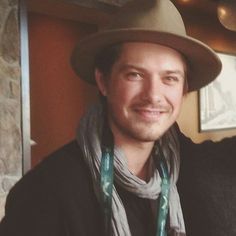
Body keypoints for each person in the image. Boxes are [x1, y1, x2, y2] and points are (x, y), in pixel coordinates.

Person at [0, 0, 222, 235]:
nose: (153, 95)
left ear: (184, 90)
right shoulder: (46, 190)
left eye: (170, 78)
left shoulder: (197, 179)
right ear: (104, 81)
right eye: (135, 74)